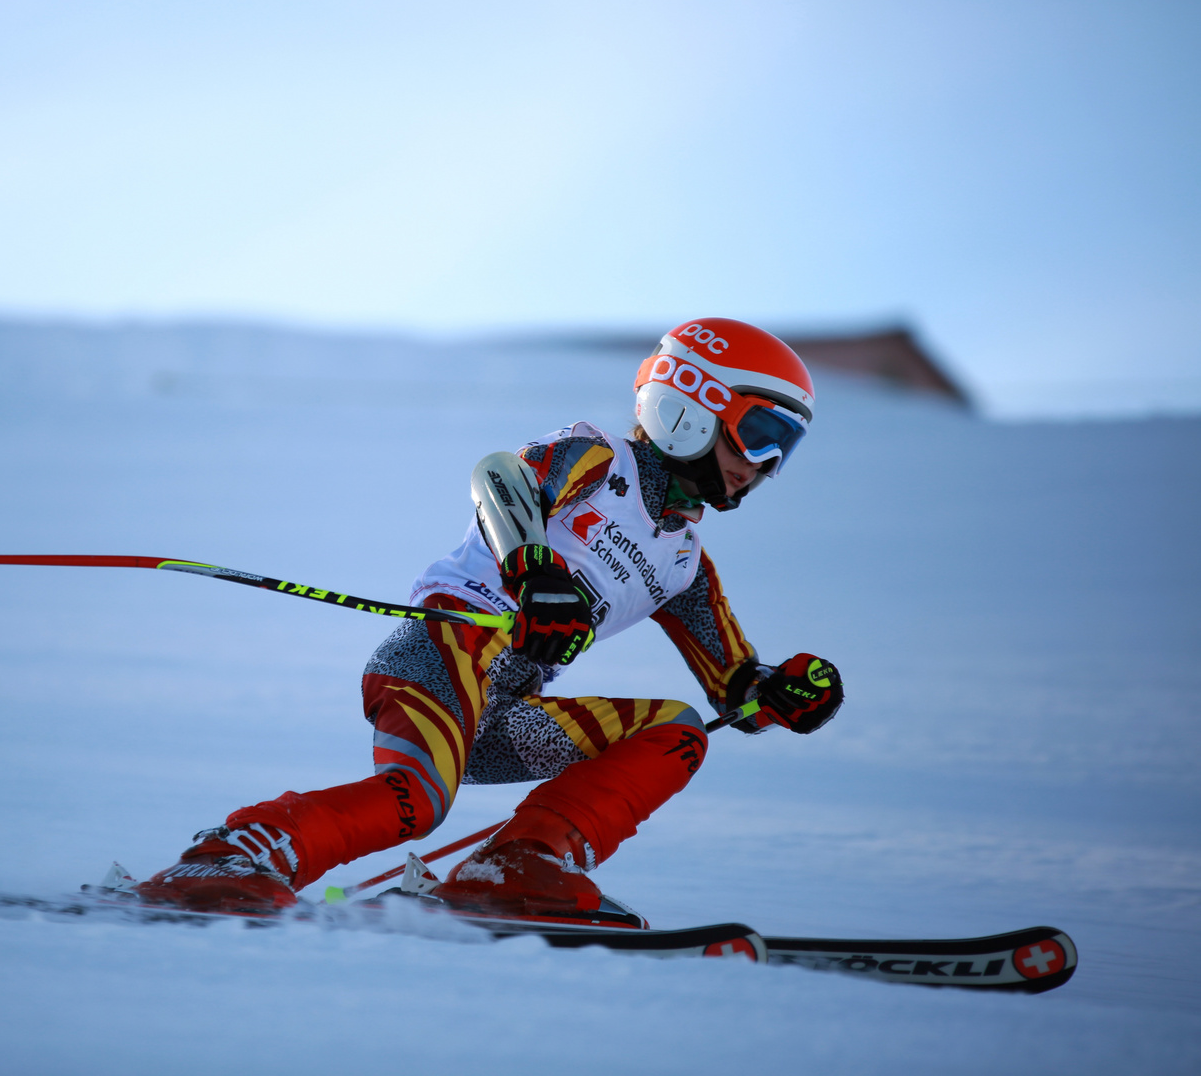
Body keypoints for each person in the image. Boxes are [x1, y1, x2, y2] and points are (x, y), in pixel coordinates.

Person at [137, 317, 844, 921]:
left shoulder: (686, 562)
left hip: (504, 712)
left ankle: (516, 868)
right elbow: (501, 477)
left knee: (679, 729)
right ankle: (231, 857)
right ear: (688, 404)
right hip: (446, 650)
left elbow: (738, 696)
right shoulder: (601, 458)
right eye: (759, 432)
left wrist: (783, 695)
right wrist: (535, 572)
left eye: (785, 448)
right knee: (416, 799)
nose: (765, 464)